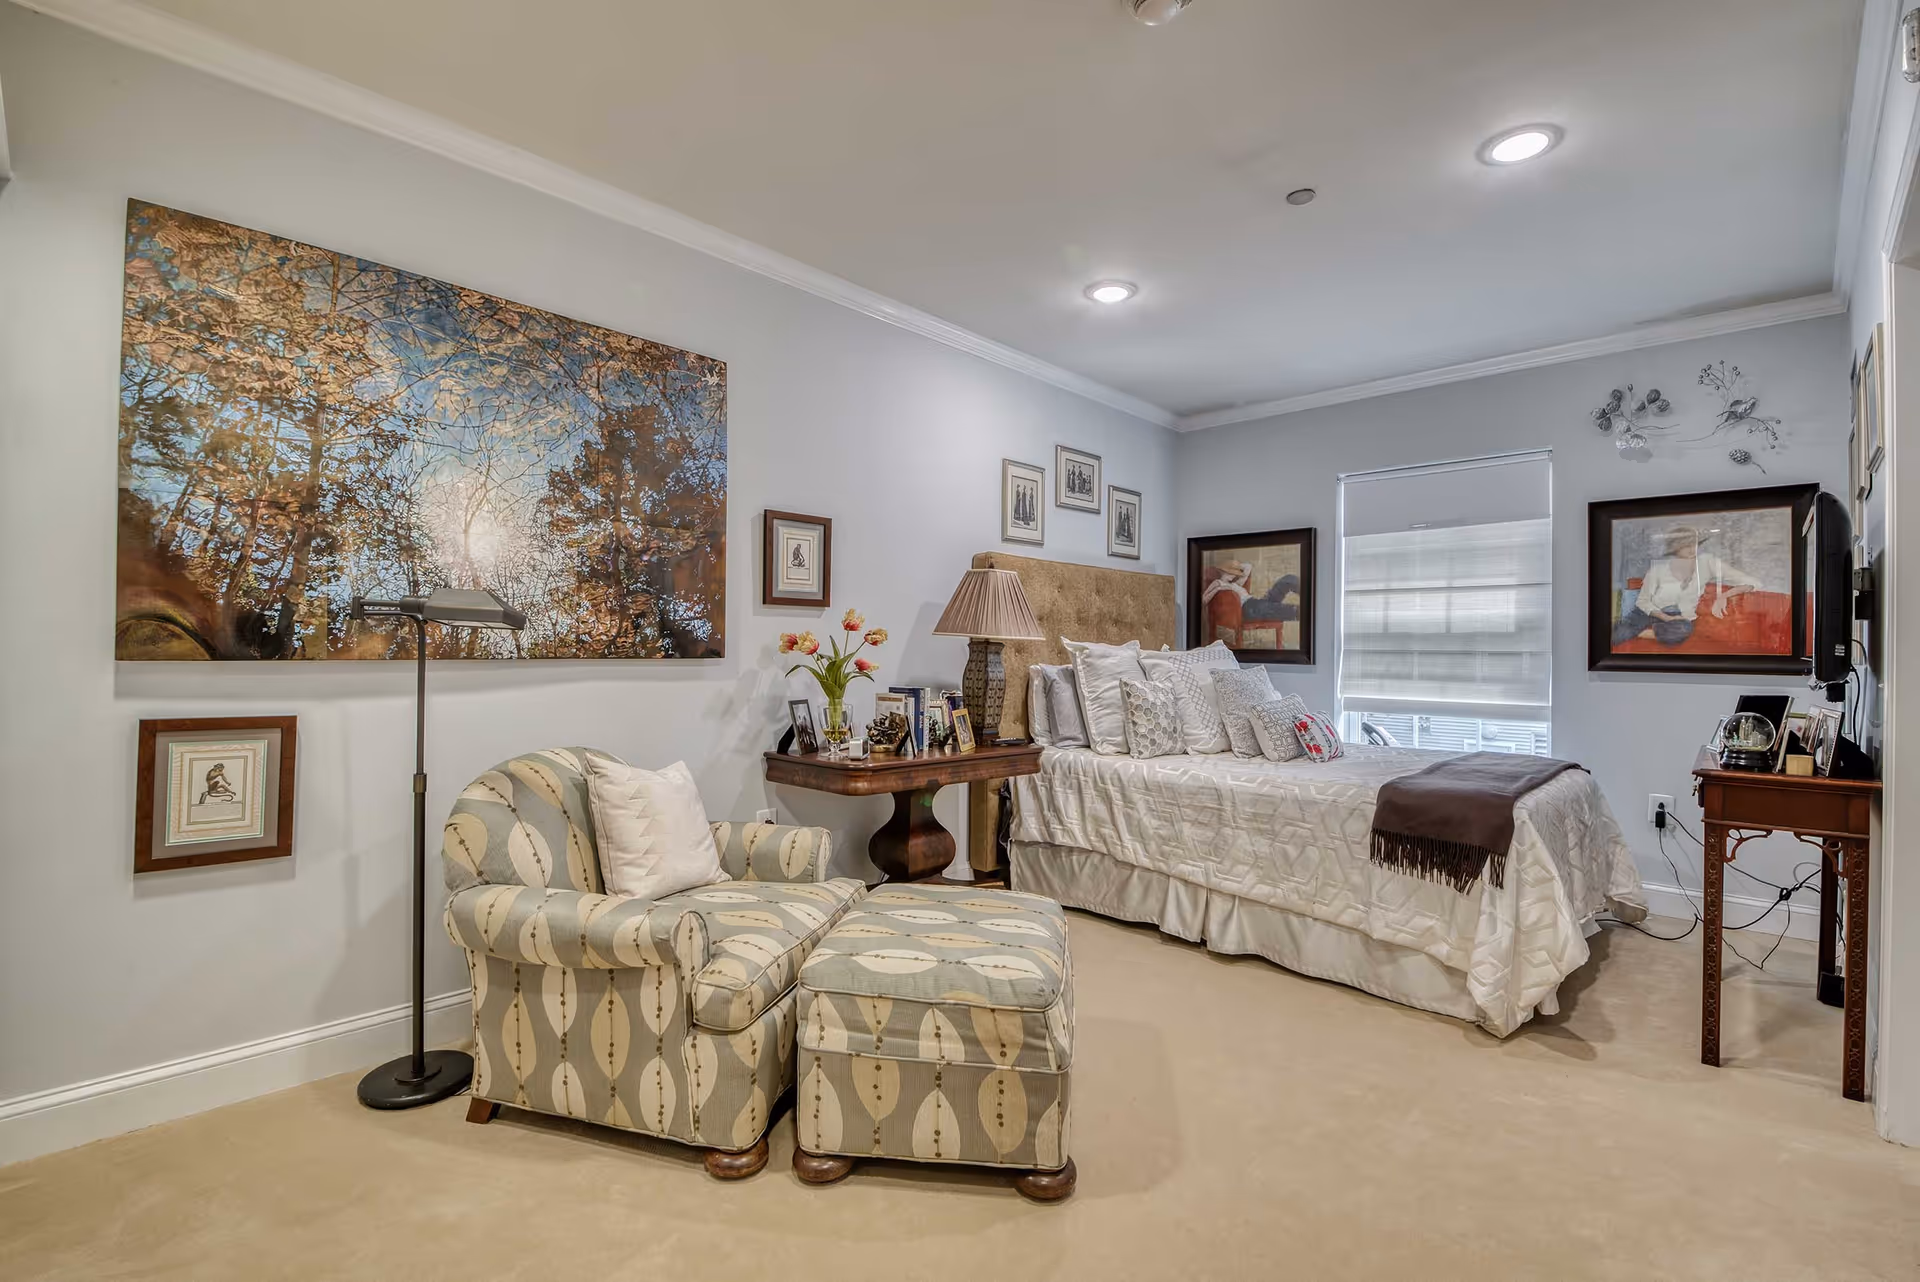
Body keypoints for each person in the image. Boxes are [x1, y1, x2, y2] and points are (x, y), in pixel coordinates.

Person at [1612, 525, 1757, 648]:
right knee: (1616, 635)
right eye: (1684, 544)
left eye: (1693, 543)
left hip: (1680, 618)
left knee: (1684, 628)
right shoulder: (1658, 570)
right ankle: (1637, 630)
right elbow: (1642, 602)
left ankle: (1639, 632)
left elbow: (1751, 582)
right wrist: (1665, 617)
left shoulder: (1707, 564)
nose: (1691, 548)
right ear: (1674, 548)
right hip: (1650, 612)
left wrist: (1724, 596)